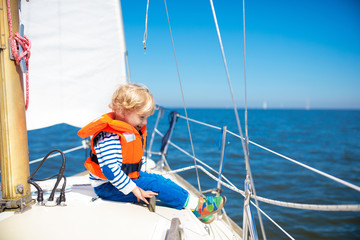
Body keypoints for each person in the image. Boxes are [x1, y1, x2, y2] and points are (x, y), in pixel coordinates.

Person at [78, 83, 226, 223]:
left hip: (121, 181)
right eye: (142, 117)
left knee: (160, 180)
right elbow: (110, 171)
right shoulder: (109, 137)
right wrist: (135, 190)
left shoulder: (126, 130)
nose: (144, 122)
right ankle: (199, 208)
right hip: (107, 187)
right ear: (122, 111)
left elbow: (125, 162)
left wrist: (139, 171)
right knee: (156, 185)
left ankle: (196, 204)